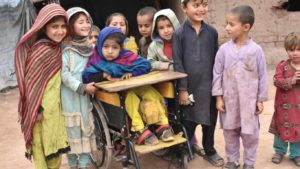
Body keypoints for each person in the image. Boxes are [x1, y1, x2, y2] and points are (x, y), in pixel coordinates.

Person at [82, 27, 174, 145]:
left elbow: (145, 65)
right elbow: (87, 76)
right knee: (131, 98)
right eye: (106, 46)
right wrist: (104, 74)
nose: (110, 51)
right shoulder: (96, 60)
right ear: (99, 45)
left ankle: (162, 125)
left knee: (151, 93)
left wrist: (132, 73)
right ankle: (140, 130)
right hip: (116, 95)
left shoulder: (126, 56)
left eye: (115, 47)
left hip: (134, 85)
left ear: (121, 48)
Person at [212, 5, 268, 169]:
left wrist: (260, 99)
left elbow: (263, 75)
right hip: (229, 101)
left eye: (231, 24)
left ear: (246, 27)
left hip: (249, 102)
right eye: (226, 23)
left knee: (250, 134)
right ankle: (232, 160)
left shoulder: (256, 50)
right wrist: (218, 97)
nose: (227, 28)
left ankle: (249, 162)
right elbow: (217, 74)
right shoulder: (223, 50)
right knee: (230, 133)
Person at [14, 3, 70, 168]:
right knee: (40, 148)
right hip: (41, 111)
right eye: (54, 27)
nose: (60, 31)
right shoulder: (40, 51)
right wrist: (36, 109)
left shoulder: (58, 48)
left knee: (55, 146)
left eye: (63, 26)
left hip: (55, 110)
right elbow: (31, 84)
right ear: (44, 28)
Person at [172, 0, 224, 166]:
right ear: (184, 8)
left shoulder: (212, 32)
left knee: (210, 120)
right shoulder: (179, 34)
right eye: (196, 5)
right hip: (189, 87)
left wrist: (218, 88)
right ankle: (184, 150)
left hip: (208, 86)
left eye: (204, 4)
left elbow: (217, 62)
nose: (201, 9)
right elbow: (178, 62)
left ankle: (209, 150)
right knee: (188, 122)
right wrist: (183, 88)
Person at [61, 7, 97, 169]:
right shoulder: (66, 49)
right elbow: (64, 75)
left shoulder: (91, 47)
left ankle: (83, 163)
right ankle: (72, 162)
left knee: (86, 126)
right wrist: (80, 86)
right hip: (71, 96)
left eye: (87, 21)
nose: (86, 25)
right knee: (72, 130)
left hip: (87, 94)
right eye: (80, 22)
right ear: (71, 27)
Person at [269, 32, 300, 167]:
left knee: (298, 129)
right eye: (291, 50)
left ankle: (296, 154)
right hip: (284, 107)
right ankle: (279, 151)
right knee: (281, 128)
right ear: (286, 50)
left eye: (298, 49)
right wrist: (291, 80)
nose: (295, 53)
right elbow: (276, 80)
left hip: (298, 108)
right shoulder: (282, 66)